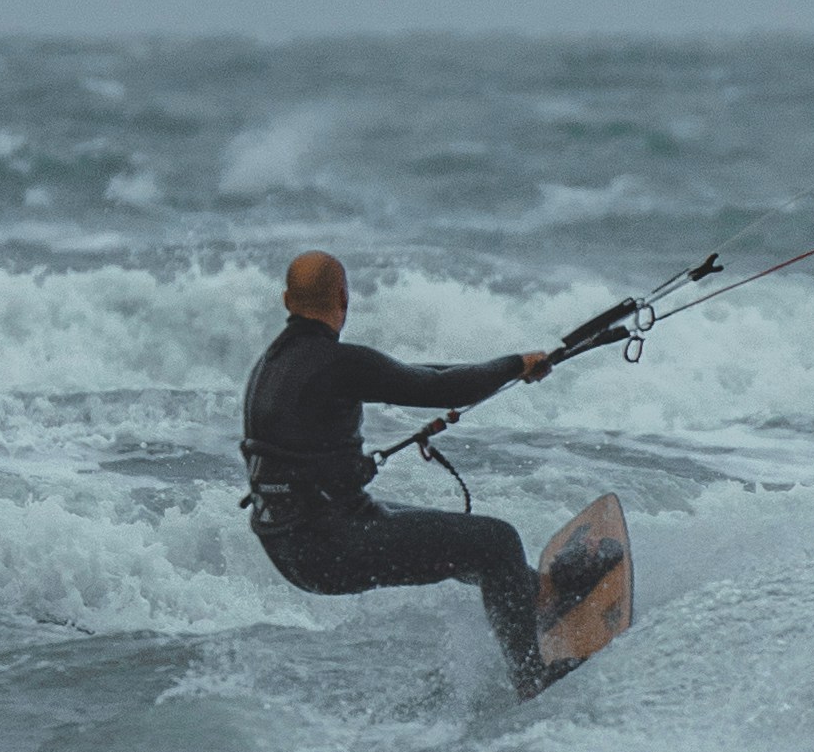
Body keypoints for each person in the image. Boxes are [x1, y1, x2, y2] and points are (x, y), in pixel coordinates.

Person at [241, 250, 568, 694]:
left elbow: (414, 375)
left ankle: (538, 600)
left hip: (291, 541)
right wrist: (515, 365)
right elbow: (434, 388)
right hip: (329, 546)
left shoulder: (270, 366)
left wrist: (500, 371)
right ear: (344, 297)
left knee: (471, 541)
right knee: (497, 542)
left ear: (286, 300)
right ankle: (534, 679)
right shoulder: (339, 364)